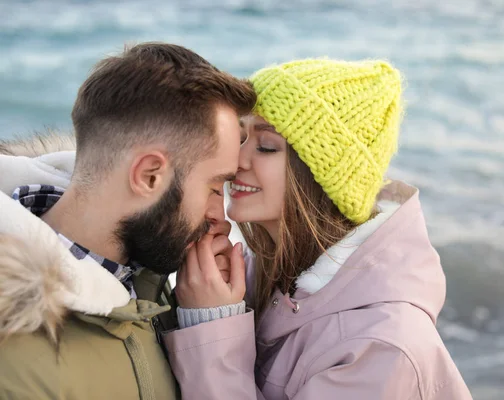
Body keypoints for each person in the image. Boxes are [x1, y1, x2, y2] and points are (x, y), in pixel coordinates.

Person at [167, 59, 473, 399]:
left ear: (321, 178)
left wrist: (212, 324)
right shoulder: (265, 280)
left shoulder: (381, 348)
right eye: (240, 138)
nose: (237, 160)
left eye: (266, 146)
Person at [0, 42, 255, 399]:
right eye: (215, 187)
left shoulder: (147, 278)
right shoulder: (18, 367)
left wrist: (205, 322)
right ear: (149, 176)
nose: (220, 216)